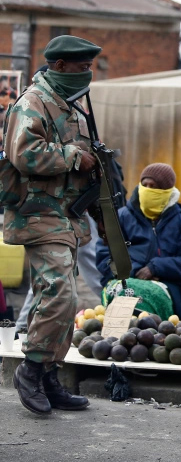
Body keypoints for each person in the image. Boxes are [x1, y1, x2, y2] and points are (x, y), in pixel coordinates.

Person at [3, 35, 102, 415]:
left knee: (62, 296)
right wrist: (74, 156)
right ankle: (30, 370)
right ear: (59, 65)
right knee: (60, 292)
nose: (87, 74)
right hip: (38, 213)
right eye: (81, 67)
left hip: (65, 216)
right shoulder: (32, 102)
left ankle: (48, 375)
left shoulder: (69, 106)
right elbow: (23, 154)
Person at [96, 163, 181, 320]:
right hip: (125, 281)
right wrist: (135, 272)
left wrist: (156, 268)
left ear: (166, 191)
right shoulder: (121, 217)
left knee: (152, 306)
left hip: (168, 285)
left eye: (153, 186)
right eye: (144, 185)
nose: (147, 190)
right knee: (127, 294)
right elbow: (105, 256)